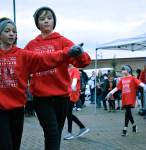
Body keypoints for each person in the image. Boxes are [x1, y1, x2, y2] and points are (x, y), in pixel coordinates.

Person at [0, 18, 84, 150]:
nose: (11, 34)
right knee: (5, 145)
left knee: (15, 145)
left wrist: (67, 52)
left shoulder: (23, 55)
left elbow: (45, 59)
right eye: (7, 31)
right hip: (1, 109)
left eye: (14, 31)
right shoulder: (26, 48)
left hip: (17, 109)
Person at [24, 6, 91, 150]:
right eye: (42, 19)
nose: (46, 21)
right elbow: (24, 66)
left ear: (54, 21)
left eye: (49, 18)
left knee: (55, 134)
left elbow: (83, 62)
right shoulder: (31, 45)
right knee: (52, 132)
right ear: (37, 24)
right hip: (41, 98)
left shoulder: (63, 41)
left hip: (61, 97)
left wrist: (80, 53)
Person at [106, 65, 146, 136]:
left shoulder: (133, 78)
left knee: (127, 112)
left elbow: (141, 84)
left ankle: (125, 129)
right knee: (128, 113)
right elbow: (117, 88)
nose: (122, 71)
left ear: (127, 70)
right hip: (124, 98)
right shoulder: (122, 79)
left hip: (130, 98)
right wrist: (110, 93)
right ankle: (134, 126)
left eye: (123, 70)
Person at [64, 65, 90, 140]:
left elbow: (75, 80)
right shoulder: (67, 70)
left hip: (73, 94)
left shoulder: (75, 70)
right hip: (68, 94)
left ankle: (70, 132)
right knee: (68, 113)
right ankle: (82, 128)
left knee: (68, 113)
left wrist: (73, 86)